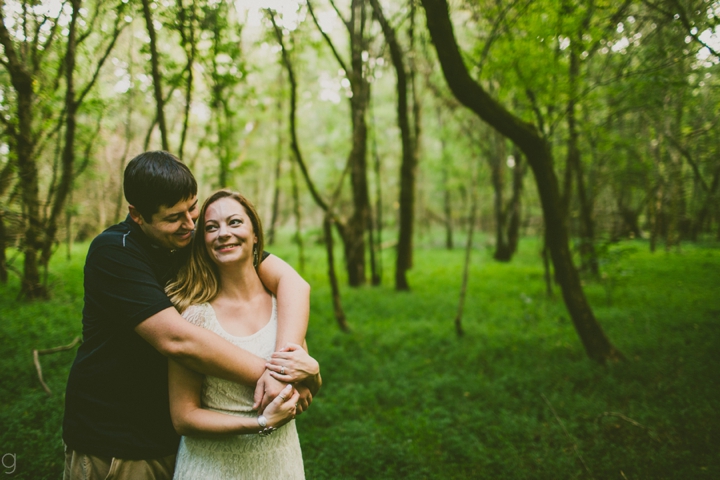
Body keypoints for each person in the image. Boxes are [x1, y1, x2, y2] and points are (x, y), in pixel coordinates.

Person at [62, 151, 312, 480]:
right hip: (116, 440)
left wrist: (291, 360)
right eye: (174, 217)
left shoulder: (191, 240)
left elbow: (292, 282)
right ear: (137, 215)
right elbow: (177, 339)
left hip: (177, 442)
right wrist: (277, 375)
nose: (190, 225)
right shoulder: (114, 252)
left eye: (192, 208)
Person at [166, 190, 321, 479]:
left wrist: (313, 370)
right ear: (203, 243)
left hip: (281, 464)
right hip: (213, 467)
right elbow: (183, 418)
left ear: (255, 236)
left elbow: (303, 392)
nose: (223, 233)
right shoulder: (195, 317)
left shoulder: (284, 309)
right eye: (212, 227)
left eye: (234, 222)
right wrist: (261, 423)